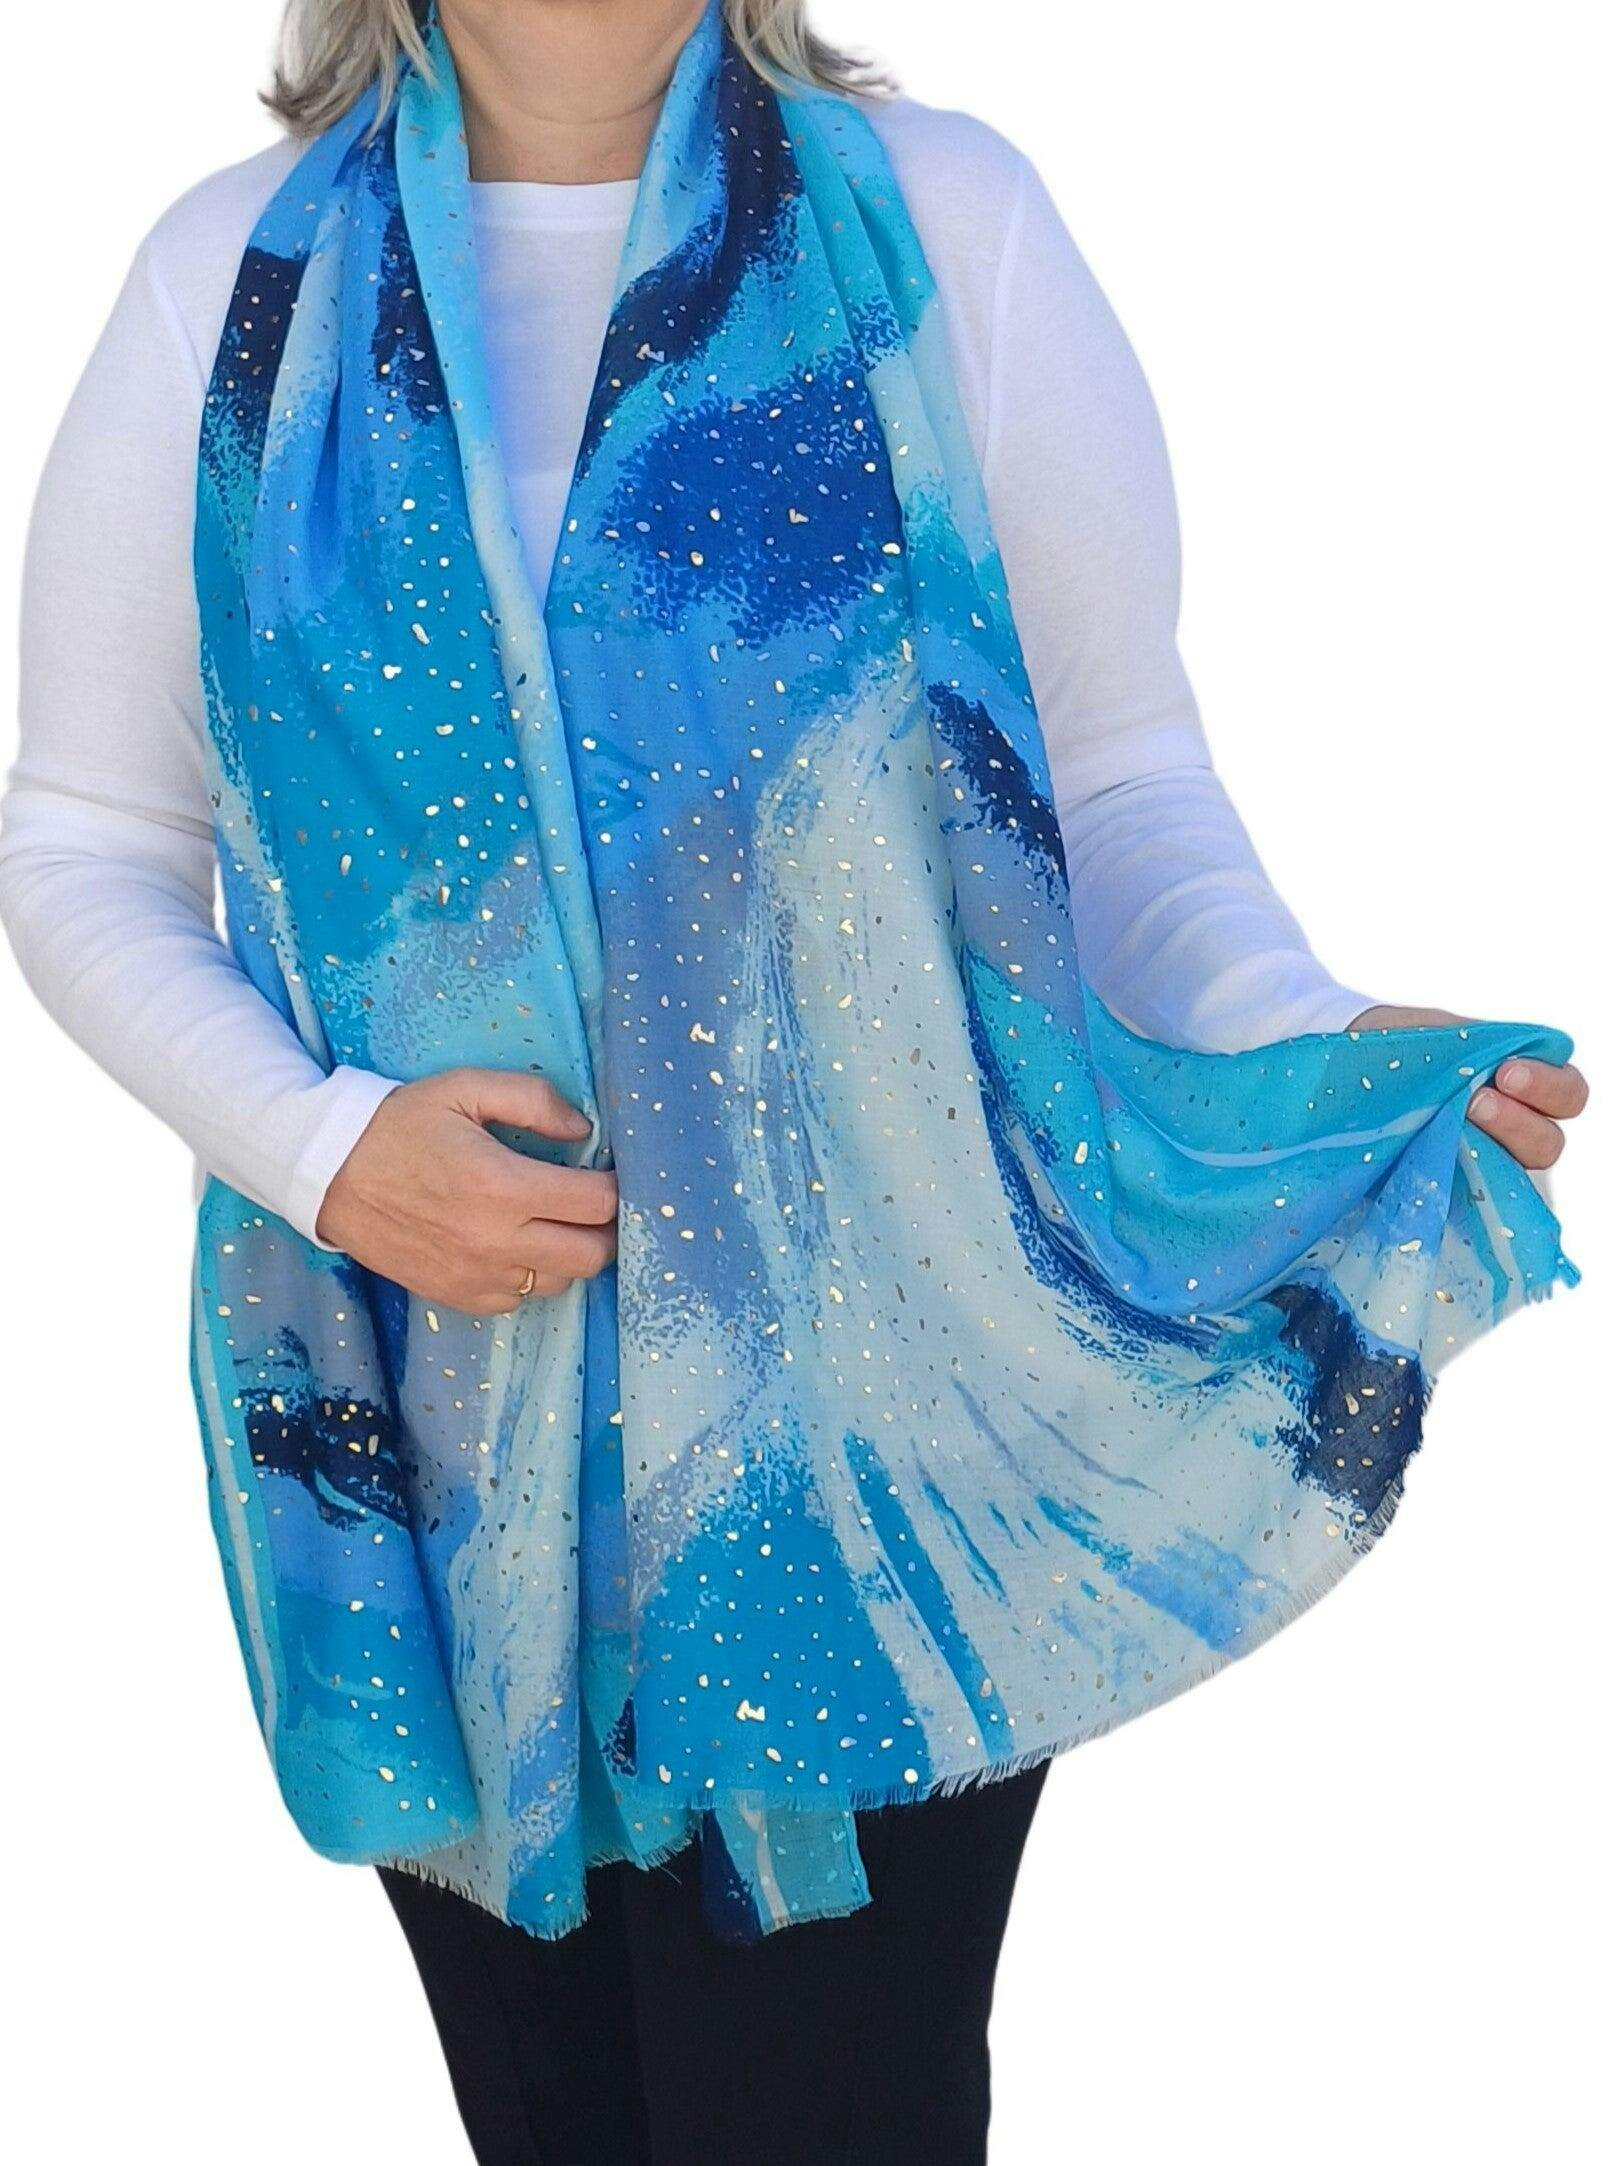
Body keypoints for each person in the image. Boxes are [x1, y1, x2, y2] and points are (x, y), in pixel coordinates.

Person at [0, 3, 1588, 2162]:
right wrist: (325, 1150)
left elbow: (1110, 780)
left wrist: (1294, 1035)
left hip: (879, 1441)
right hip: (430, 1436)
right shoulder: (224, 282)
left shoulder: (947, 226)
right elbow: (87, 838)